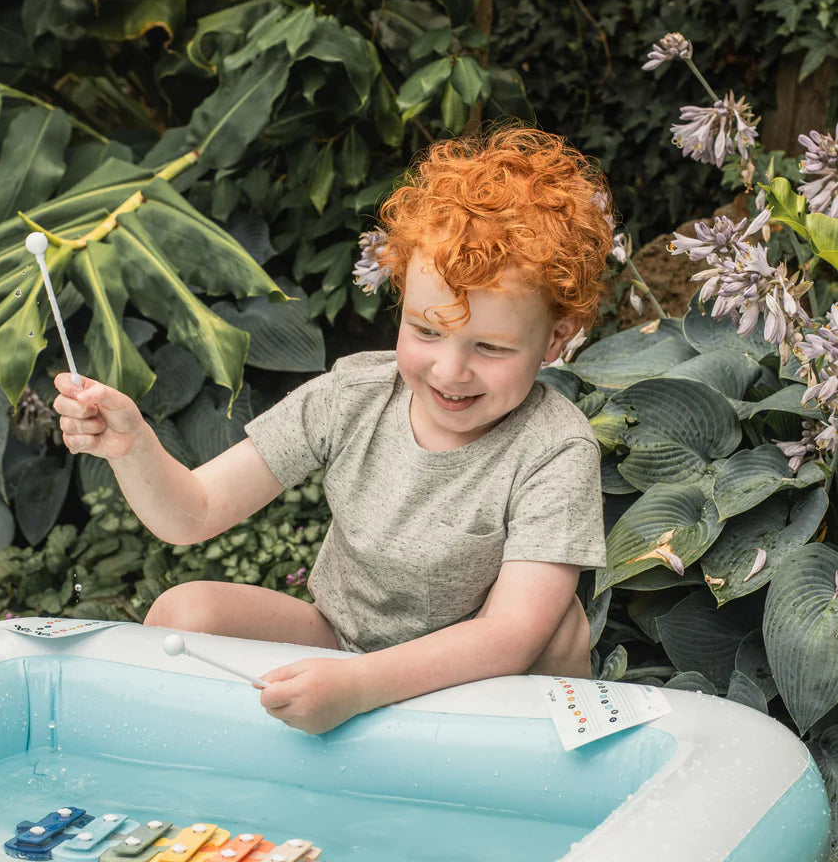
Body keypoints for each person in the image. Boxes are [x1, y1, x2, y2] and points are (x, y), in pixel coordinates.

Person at [53, 126, 613, 735]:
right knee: (182, 613)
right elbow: (193, 512)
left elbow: (508, 637)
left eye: (491, 347)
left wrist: (362, 687)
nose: (451, 371)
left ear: (556, 338)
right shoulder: (354, 396)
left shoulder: (555, 447)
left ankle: (522, 779)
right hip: (341, 642)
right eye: (426, 332)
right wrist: (133, 446)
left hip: (480, 686)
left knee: (559, 632)